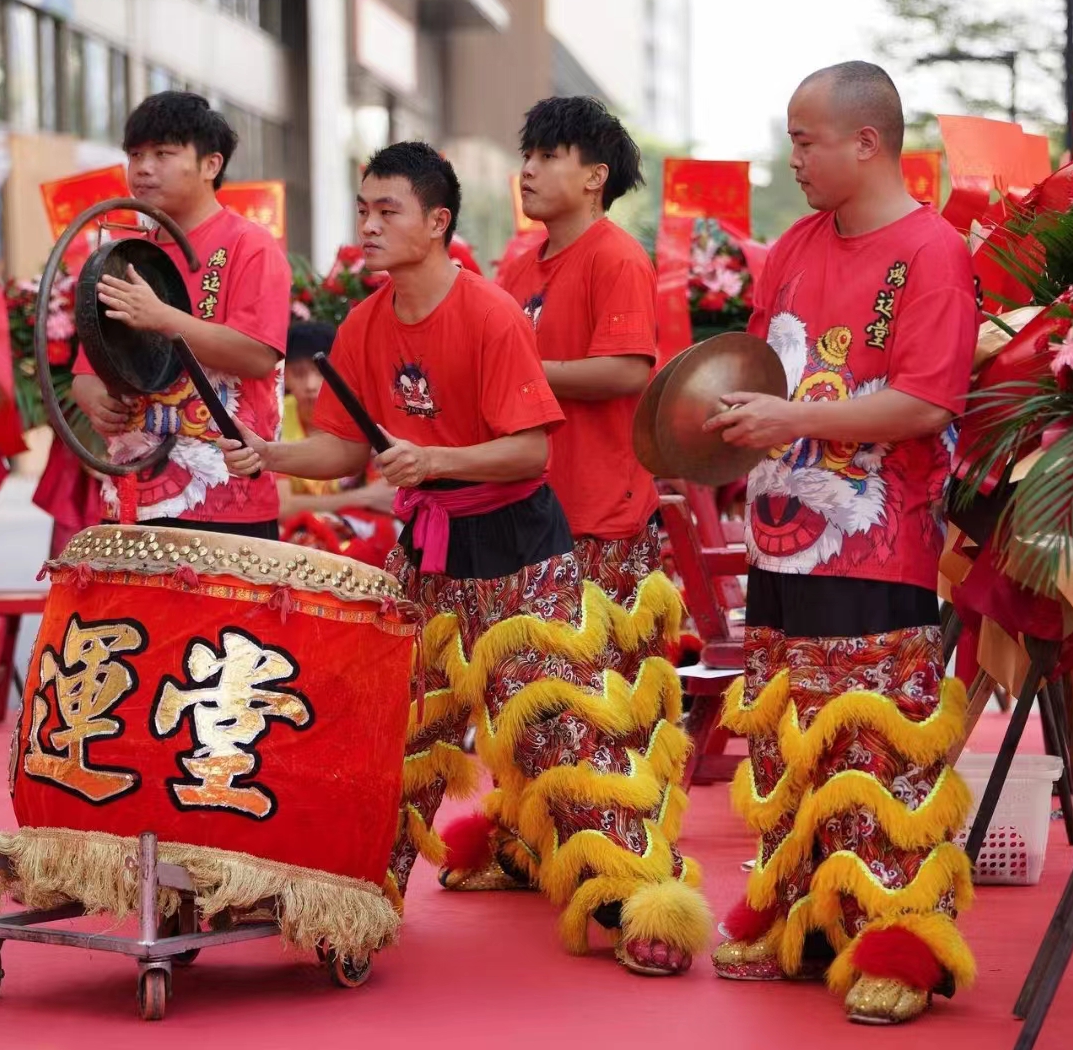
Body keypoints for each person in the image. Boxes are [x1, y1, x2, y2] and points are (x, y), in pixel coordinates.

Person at [220, 141, 708, 976]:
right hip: (430, 551)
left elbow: (527, 455)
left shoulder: (488, 314)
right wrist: (270, 456)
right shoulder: (366, 325)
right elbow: (342, 450)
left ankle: (638, 899)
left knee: (566, 730)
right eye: (363, 209)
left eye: (388, 211)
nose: (368, 226)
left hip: (521, 547)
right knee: (400, 731)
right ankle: (356, 900)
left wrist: (436, 460)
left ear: (437, 222)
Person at [699, 61, 978, 1024]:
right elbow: (756, 367)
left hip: (880, 544)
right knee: (786, 736)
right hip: (781, 538)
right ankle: (807, 921)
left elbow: (928, 402)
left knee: (873, 743)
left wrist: (787, 422)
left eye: (807, 139)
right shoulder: (794, 246)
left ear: (868, 142)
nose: (795, 157)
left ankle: (902, 938)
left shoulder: (932, 252)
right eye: (791, 137)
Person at [71, 90, 290, 537]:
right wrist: (91, 397)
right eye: (135, 155)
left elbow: (258, 356)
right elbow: (88, 367)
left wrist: (164, 318)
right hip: (133, 499)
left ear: (211, 165)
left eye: (163, 154)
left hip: (229, 503)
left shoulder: (251, 246)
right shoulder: (125, 254)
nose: (144, 167)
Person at [495, 95, 659, 603]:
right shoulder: (518, 267)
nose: (527, 171)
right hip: (527, 508)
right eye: (527, 156)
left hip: (601, 517)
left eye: (547, 157)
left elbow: (627, 371)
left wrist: (521, 372)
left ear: (595, 177)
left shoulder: (616, 257)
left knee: (600, 678)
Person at [278, 320, 398, 565]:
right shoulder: (276, 419)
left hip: (358, 527)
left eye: (321, 372)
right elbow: (281, 508)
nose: (311, 386)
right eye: (300, 374)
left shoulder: (362, 416)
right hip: (296, 531)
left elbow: (387, 498)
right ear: (284, 375)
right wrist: (362, 497)